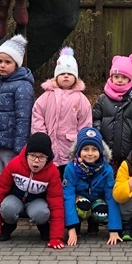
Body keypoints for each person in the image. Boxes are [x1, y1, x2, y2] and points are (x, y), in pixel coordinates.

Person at [0, 132, 66, 248]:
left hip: (36, 202)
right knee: (7, 208)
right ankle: (9, 225)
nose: (36, 161)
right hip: (15, 198)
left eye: (41, 157)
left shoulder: (52, 172)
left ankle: (43, 226)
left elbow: (56, 203)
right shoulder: (15, 164)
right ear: (26, 154)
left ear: (48, 158)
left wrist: (56, 237)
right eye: (32, 155)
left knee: (41, 213)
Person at [31, 46, 91, 176]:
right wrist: (42, 137)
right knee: (48, 177)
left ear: (75, 77)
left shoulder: (81, 99)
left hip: (70, 149)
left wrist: (80, 144)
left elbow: (85, 124)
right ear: (56, 76)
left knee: (68, 177)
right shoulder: (47, 96)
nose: (66, 76)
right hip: (48, 147)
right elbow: (37, 115)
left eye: (70, 74)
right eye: (62, 74)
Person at [0, 34, 34, 177]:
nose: (2, 65)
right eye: (0, 61)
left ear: (16, 64)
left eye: (7, 62)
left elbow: (23, 119)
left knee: (9, 175)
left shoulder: (23, 86)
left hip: (10, 144)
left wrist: (20, 146)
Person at [62, 127, 122, 246]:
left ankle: (94, 223)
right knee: (82, 205)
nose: (90, 153)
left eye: (94, 149)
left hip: (97, 202)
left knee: (102, 209)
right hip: (80, 203)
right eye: (85, 149)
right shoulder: (70, 169)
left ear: (100, 151)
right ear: (78, 151)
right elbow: (68, 197)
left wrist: (114, 230)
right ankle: (77, 225)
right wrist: (71, 228)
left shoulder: (107, 170)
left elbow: (111, 198)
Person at [93, 53, 132, 170]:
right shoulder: (103, 99)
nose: (120, 80)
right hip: (106, 145)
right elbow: (96, 117)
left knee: (125, 173)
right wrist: (98, 130)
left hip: (127, 146)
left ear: (129, 79)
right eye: (116, 77)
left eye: (124, 77)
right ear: (111, 77)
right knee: (107, 173)